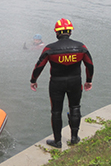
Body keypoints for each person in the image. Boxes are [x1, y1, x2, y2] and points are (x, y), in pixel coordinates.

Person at [30, 18, 94, 149]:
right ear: (70, 32)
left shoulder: (49, 48)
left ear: (57, 33)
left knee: (56, 112)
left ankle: (57, 141)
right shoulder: (80, 47)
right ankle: (74, 138)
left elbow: (39, 66)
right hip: (75, 82)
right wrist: (88, 80)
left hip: (56, 84)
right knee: (75, 107)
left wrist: (33, 81)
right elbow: (90, 64)